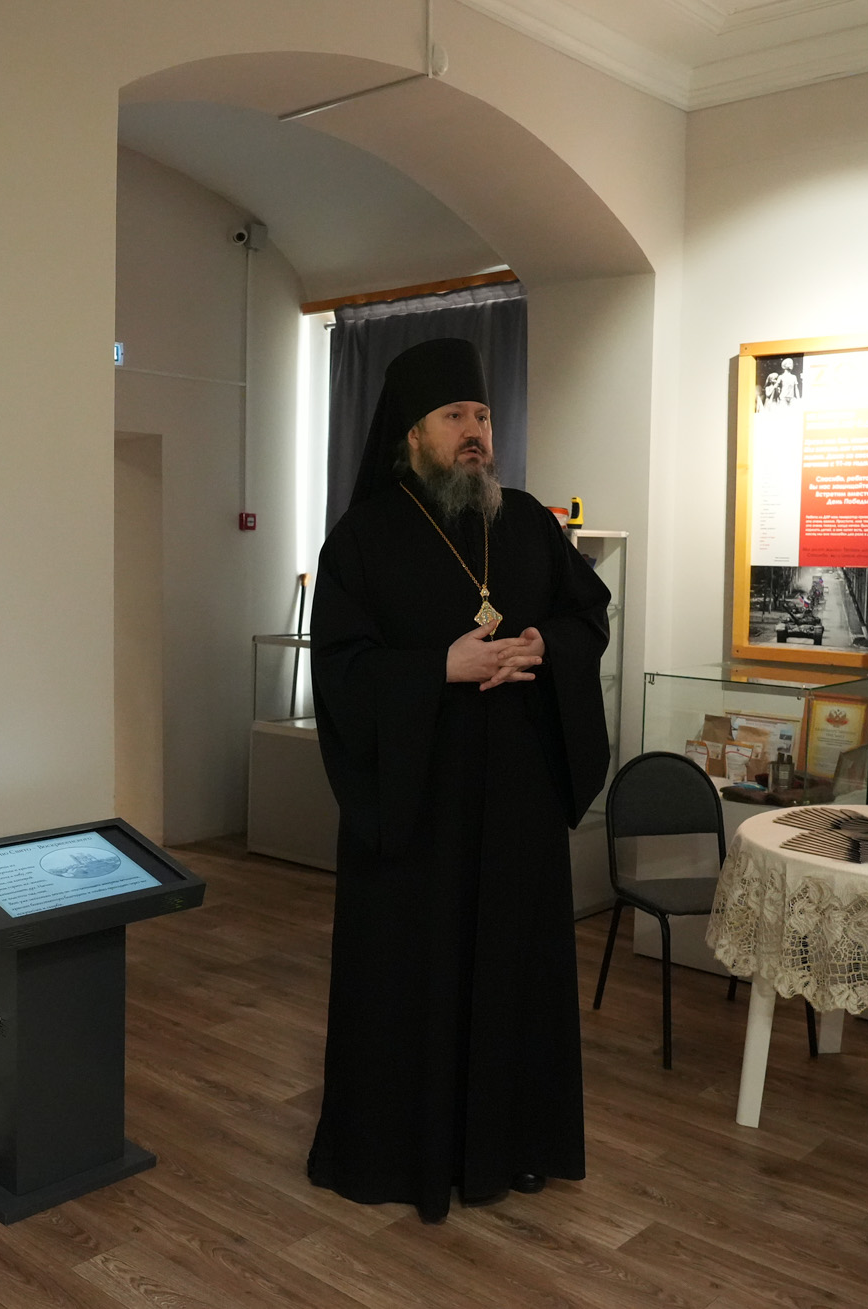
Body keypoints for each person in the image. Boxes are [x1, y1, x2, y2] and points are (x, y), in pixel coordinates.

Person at [305, 337, 612, 1225]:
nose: (476, 431)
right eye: (454, 417)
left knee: (513, 975)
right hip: (420, 815)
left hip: (516, 806)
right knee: (417, 980)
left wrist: (544, 643)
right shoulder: (362, 540)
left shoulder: (527, 523)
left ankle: (512, 1147)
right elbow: (341, 672)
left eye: (482, 415)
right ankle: (408, 1152)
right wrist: (439, 666)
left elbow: (587, 612)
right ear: (412, 436)